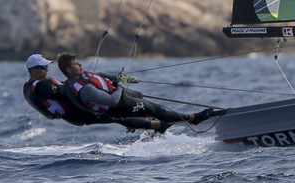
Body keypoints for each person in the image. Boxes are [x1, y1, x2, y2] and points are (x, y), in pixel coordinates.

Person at [55, 52, 223, 133]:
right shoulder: (84, 90)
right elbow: (112, 101)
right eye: (76, 64)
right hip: (118, 104)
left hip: (119, 94)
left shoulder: (83, 74)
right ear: (69, 70)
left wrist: (122, 78)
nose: (81, 65)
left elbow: (100, 76)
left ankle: (157, 125)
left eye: (79, 62)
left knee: (140, 95)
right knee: (154, 108)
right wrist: (120, 86)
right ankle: (193, 119)